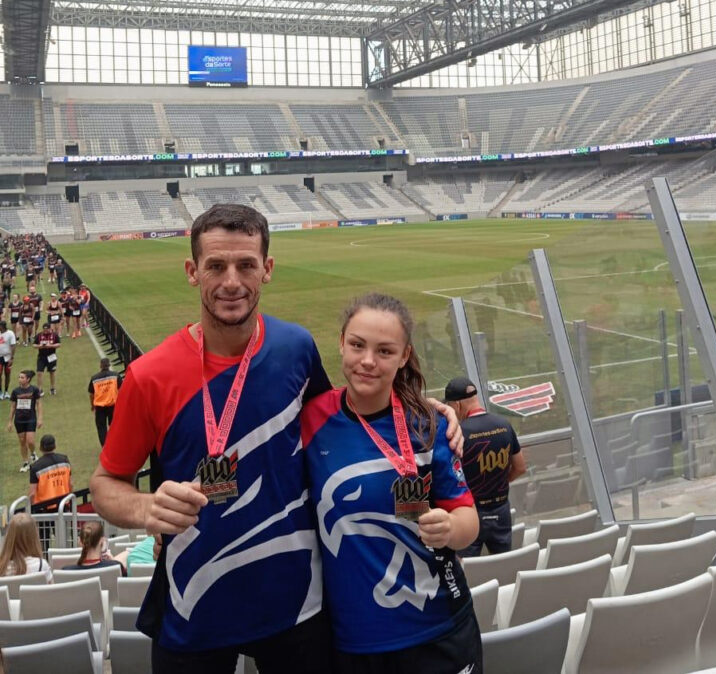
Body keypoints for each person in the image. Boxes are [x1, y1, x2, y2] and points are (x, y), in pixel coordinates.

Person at [89, 203, 464, 674]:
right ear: (191, 272)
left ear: (267, 269)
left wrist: (416, 406)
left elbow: (348, 416)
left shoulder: (295, 348)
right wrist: (145, 509)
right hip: (195, 602)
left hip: (298, 603)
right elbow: (106, 482)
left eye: (246, 265)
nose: (231, 282)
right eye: (216, 266)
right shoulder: (148, 376)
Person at [301, 293, 481, 674]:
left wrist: (450, 528)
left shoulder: (429, 427)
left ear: (403, 356)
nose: (367, 361)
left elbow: (468, 520)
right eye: (357, 345)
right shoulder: (312, 418)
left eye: (385, 351)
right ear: (341, 343)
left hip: (438, 629)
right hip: (354, 639)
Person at [443, 377, 526, 557]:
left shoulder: (459, 434)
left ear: (456, 405)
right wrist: (500, 483)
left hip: (471, 513)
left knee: (470, 571)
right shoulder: (504, 425)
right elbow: (520, 467)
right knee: (504, 564)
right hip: (502, 509)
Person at [0, 512, 53, 582]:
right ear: (34, 538)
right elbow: (52, 592)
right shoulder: (42, 566)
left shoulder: (2, 568)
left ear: (9, 537)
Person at [7, 370, 42, 472]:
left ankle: (33, 453)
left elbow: (39, 404)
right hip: (19, 420)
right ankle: (25, 463)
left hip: (31, 418)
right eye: (19, 377)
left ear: (28, 379)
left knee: (30, 441)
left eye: (22, 377)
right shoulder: (15, 391)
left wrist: (40, 418)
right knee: (22, 441)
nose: (20, 379)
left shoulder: (34, 390)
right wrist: (10, 421)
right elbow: (13, 407)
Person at [29, 434, 73, 509]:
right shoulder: (65, 460)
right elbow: (71, 484)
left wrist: (31, 508)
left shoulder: (35, 467)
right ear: (55, 446)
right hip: (64, 505)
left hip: (45, 510)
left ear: (41, 448)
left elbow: (32, 494)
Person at [88, 357, 123, 447]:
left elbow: (91, 394)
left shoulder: (94, 378)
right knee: (114, 426)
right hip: (113, 405)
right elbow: (122, 389)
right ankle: (115, 443)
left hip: (100, 407)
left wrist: (92, 405)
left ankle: (105, 446)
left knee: (101, 427)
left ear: (100, 365)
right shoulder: (115, 375)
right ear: (109, 365)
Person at [33, 322, 61, 396]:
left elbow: (59, 344)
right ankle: (39, 389)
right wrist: (40, 346)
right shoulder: (39, 335)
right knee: (39, 372)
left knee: (52, 372)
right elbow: (34, 345)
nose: (45, 330)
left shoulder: (54, 335)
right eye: (44, 329)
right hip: (41, 356)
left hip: (51, 356)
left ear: (50, 329)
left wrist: (51, 346)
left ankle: (52, 388)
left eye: (47, 329)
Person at [0, 320, 16, 400]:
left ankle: (6, 391)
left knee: (7, 374)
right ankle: (0, 392)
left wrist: (12, 358)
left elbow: (13, 346)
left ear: (2, 326)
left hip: (8, 357)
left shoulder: (10, 333)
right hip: (0, 357)